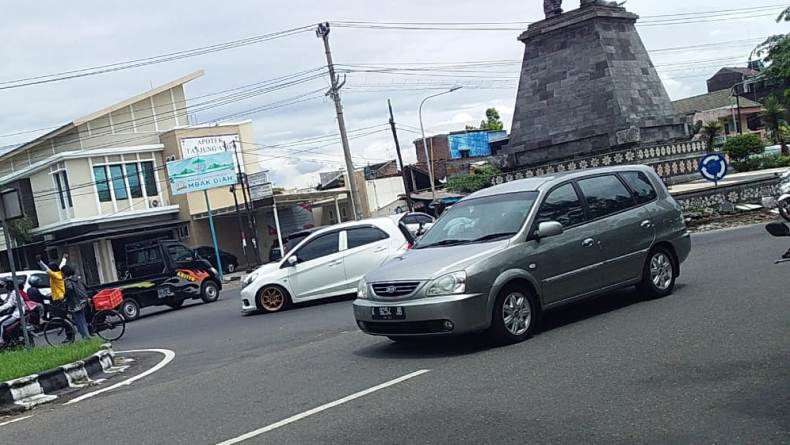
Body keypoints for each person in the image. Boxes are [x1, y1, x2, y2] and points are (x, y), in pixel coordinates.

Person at [62, 264, 91, 340]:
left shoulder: (67, 281)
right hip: (83, 300)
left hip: (75, 303)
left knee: (79, 321)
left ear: (64, 273)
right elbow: (85, 286)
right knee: (82, 319)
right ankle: (86, 335)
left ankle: (85, 337)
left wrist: (65, 296)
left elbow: (69, 289)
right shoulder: (76, 278)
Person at [0, 280, 25, 347]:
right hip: (15, 312)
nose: (4, 287)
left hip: (17, 313)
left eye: (5, 285)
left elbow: (10, 304)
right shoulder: (12, 292)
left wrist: (1, 308)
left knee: (1, 322)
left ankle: (1, 340)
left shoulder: (14, 293)